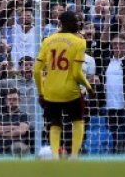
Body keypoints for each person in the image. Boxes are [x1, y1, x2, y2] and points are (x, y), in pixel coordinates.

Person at [34, 11, 93, 160]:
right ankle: (73, 157)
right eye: (76, 21)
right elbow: (77, 74)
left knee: (55, 123)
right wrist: (89, 88)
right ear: (70, 23)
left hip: (51, 92)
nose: (78, 24)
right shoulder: (80, 42)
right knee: (78, 121)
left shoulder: (48, 40)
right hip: (70, 91)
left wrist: (41, 93)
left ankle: (54, 157)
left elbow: (36, 71)